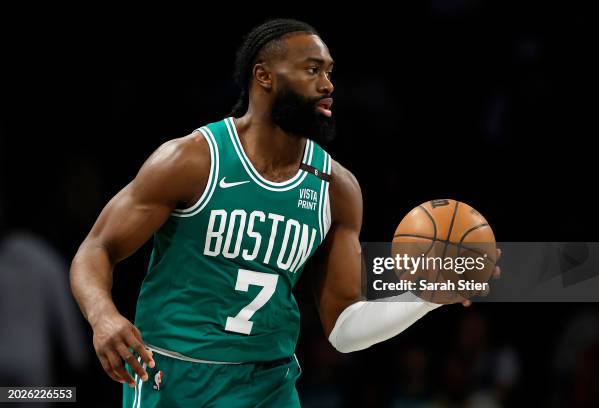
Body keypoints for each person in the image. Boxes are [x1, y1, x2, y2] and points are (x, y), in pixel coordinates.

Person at [70, 18, 500, 407]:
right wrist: (103, 316)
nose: (328, 84)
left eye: (330, 71)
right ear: (264, 77)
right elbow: (96, 249)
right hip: (177, 377)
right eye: (313, 70)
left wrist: (423, 297)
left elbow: (345, 329)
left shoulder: (338, 189)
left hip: (269, 384)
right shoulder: (192, 160)